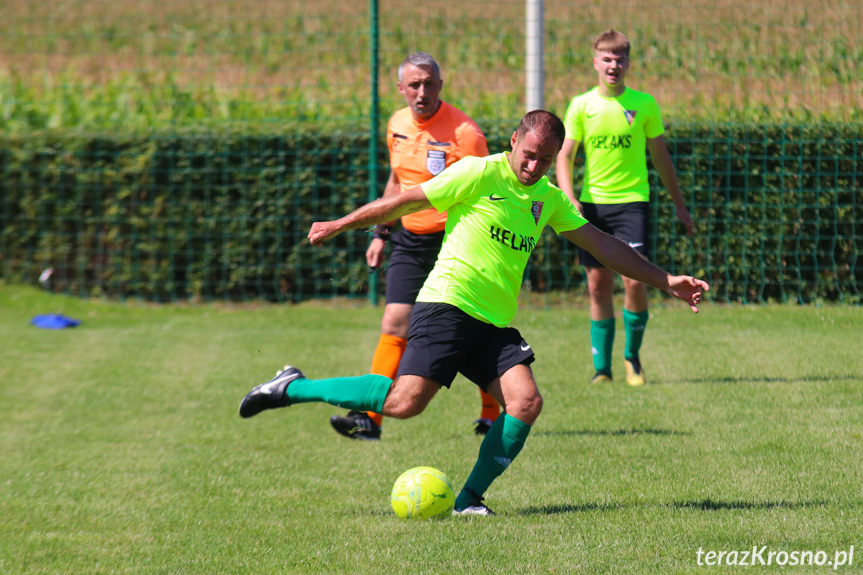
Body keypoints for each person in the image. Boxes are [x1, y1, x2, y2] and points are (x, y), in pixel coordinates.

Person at [238, 110, 709, 515]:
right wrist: (342, 224)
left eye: (546, 159)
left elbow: (604, 246)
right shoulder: (480, 173)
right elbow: (406, 200)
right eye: (529, 153)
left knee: (525, 403)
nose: (534, 165)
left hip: (492, 323)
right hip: (448, 304)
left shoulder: (548, 197)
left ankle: (468, 500)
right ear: (514, 141)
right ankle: (291, 387)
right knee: (405, 404)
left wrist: (665, 280)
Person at [328, 52, 499, 441]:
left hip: (457, 242)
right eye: (414, 85)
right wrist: (380, 234)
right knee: (393, 324)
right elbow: (397, 184)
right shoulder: (397, 123)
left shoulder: (466, 134)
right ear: (401, 88)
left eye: (430, 84)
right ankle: (369, 419)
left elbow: (489, 194)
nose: (422, 92)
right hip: (408, 240)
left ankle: (490, 414)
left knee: (476, 325)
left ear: (441, 85)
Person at [555, 29, 695, 387]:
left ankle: (632, 358)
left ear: (628, 63)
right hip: (593, 206)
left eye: (620, 59)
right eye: (606, 58)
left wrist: (679, 205)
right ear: (595, 63)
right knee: (598, 286)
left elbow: (661, 158)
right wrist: (570, 197)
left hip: (633, 204)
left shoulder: (644, 104)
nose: (613, 65)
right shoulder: (581, 105)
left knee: (635, 281)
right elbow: (565, 156)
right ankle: (602, 369)